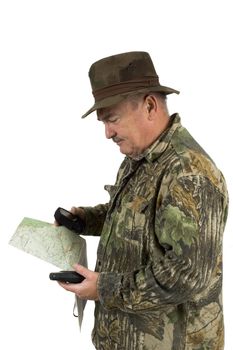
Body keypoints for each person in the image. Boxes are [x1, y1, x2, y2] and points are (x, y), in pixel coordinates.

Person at [55, 51, 229, 350]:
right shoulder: (141, 157)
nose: (108, 133)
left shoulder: (189, 173)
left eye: (112, 119)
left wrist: (103, 288)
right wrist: (86, 219)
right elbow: (136, 212)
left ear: (149, 105)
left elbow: (185, 275)